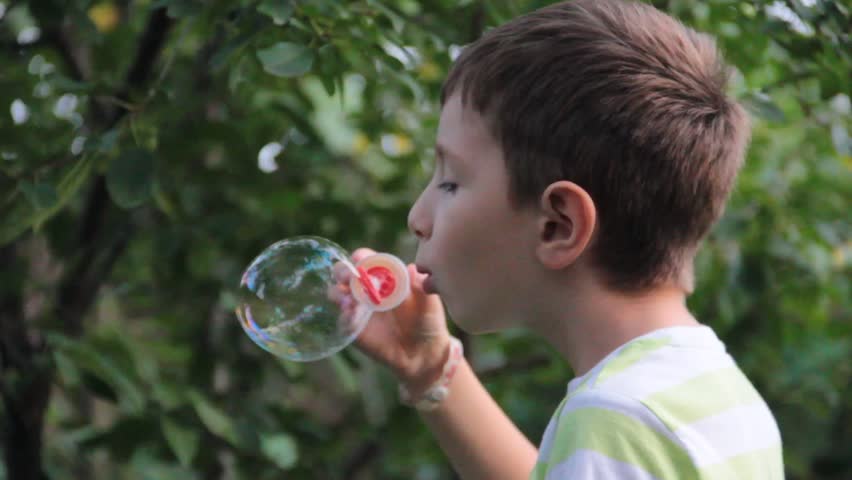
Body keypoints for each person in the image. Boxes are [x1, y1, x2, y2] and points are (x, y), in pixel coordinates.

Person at [331, 0, 783, 478]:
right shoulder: (709, 394)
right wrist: (429, 366)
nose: (417, 218)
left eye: (450, 182)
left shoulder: (613, 423)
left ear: (558, 226)